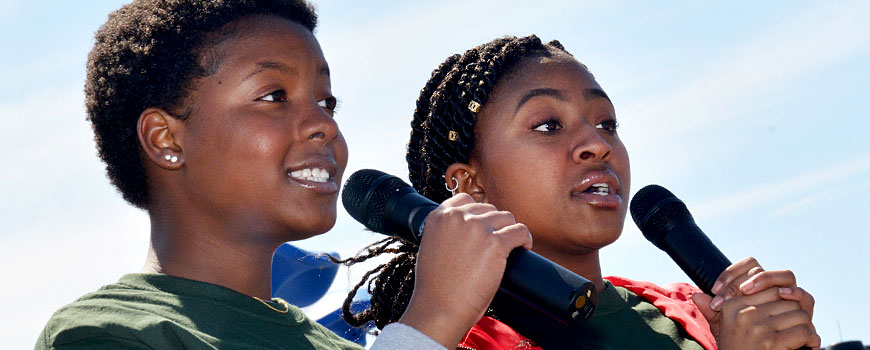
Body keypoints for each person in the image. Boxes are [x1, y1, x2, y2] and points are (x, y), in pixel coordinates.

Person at [35, 1, 533, 349]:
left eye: (326, 101)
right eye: (274, 96)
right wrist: (432, 321)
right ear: (167, 140)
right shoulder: (108, 333)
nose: (325, 125)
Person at [341, 35, 821, 349]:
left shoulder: (691, 315)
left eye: (607, 123)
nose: (596, 144)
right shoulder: (460, 341)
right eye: (548, 125)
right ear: (469, 186)